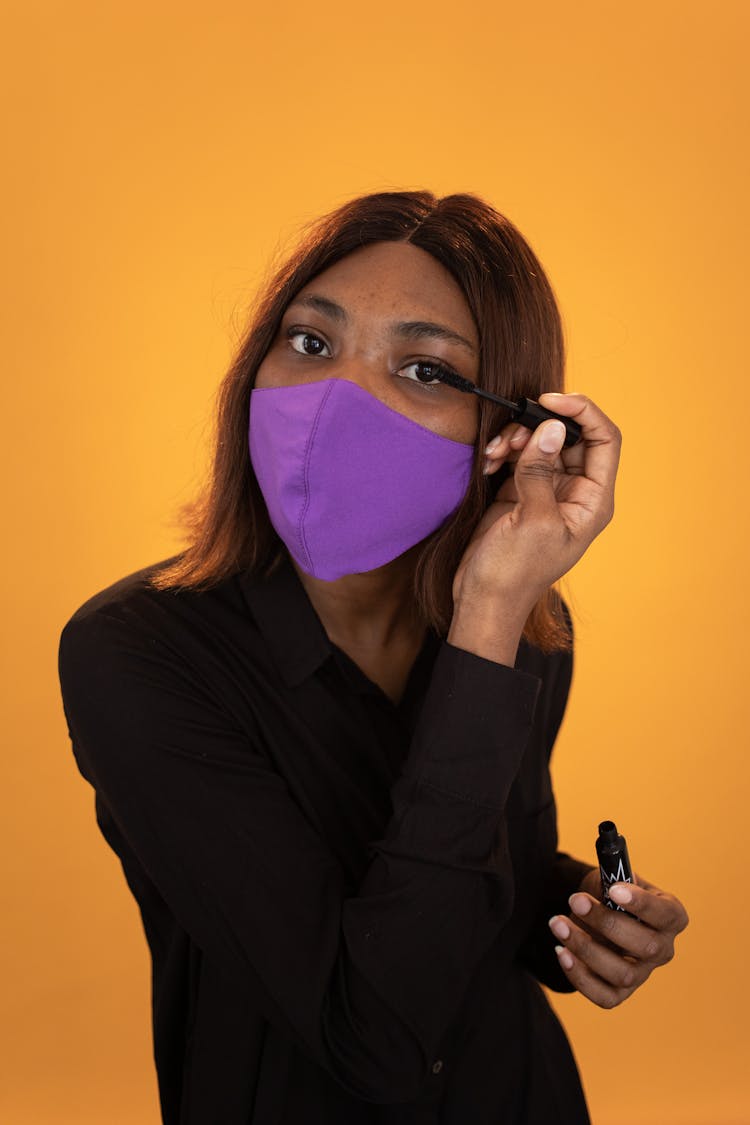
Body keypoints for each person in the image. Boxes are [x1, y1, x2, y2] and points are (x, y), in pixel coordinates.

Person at [57, 191, 688, 1125]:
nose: (336, 399)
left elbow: (478, 878)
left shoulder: (526, 625)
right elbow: (375, 1035)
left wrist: (577, 915)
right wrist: (490, 622)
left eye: (425, 368)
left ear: (511, 438)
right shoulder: (136, 654)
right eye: (311, 343)